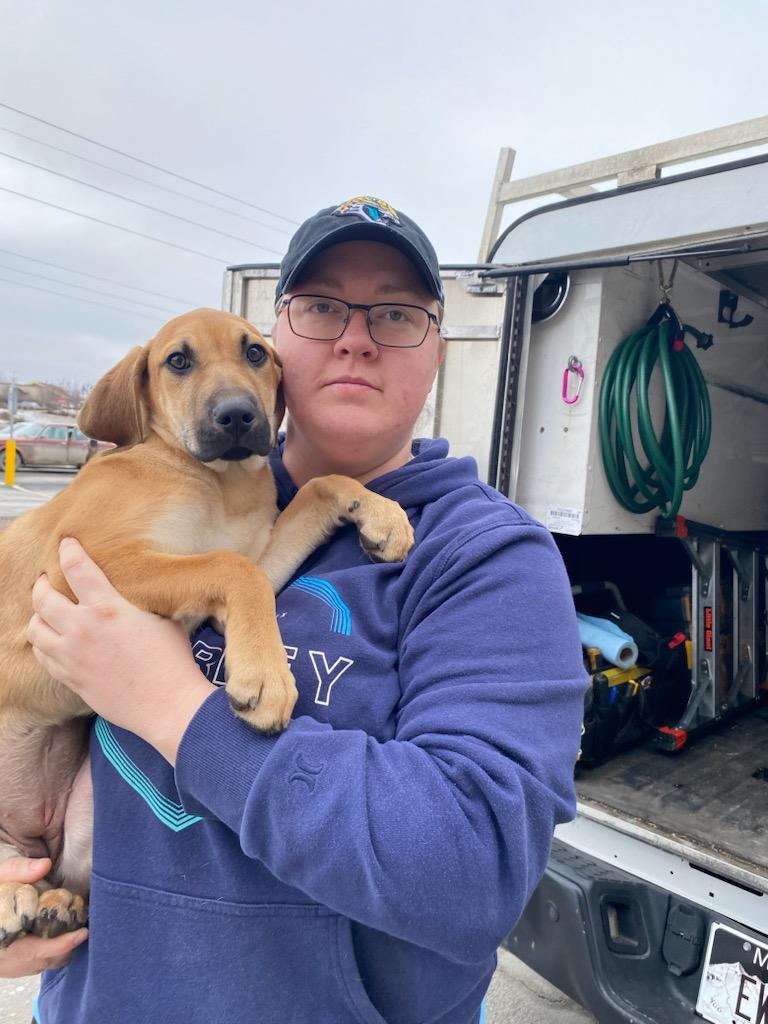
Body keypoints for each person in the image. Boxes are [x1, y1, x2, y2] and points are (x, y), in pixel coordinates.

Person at [10, 195, 588, 1024]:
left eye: (394, 314)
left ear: (438, 352)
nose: (355, 336)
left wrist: (175, 707)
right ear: (283, 340)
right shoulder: (193, 500)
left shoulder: (493, 559)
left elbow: (473, 873)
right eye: (321, 308)